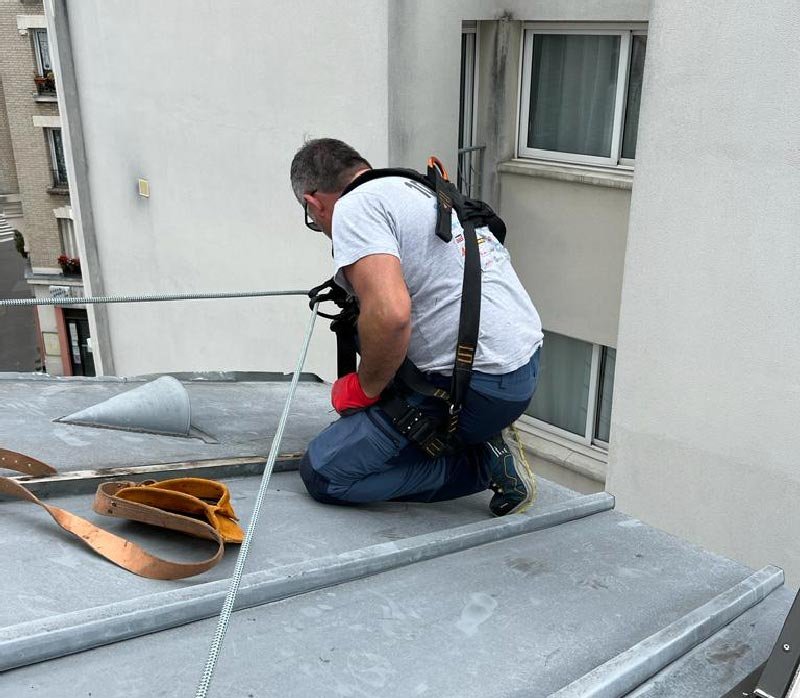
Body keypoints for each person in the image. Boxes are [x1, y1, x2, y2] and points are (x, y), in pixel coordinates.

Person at [290, 138, 543, 516]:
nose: (321, 225)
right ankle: (477, 433)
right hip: (522, 366)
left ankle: (480, 465)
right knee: (363, 325)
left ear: (314, 202)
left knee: (327, 472)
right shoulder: (413, 186)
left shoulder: (351, 209)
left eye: (314, 220)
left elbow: (391, 315)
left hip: (478, 386)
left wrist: (364, 389)